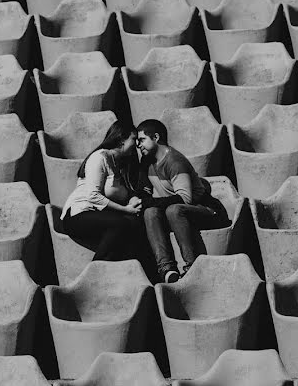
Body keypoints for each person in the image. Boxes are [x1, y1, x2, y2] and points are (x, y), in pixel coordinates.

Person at [135, 119, 229, 283]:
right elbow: (145, 191)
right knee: (150, 212)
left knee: (174, 210)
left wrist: (149, 202)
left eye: (142, 140)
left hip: (207, 210)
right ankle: (167, 269)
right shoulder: (147, 161)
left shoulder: (174, 161)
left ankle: (191, 267)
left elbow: (185, 199)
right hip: (177, 213)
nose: (138, 145)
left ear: (156, 137)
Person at [60, 120, 146, 262]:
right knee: (121, 224)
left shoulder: (119, 164)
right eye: (134, 139)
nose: (136, 144)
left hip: (99, 215)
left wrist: (133, 201)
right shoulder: (100, 157)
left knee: (135, 225)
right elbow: (93, 196)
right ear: (121, 139)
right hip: (78, 214)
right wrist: (125, 209)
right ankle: (96, 271)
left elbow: (125, 193)